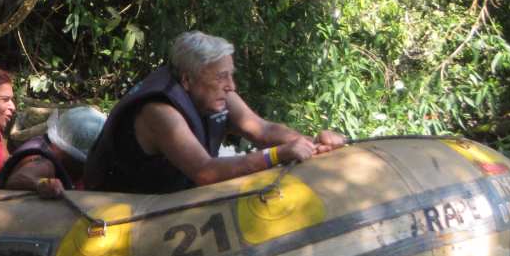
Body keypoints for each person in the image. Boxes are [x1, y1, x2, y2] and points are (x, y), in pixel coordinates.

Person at [84, 31, 347, 194]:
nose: (231, 86)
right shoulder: (160, 112)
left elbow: (261, 129)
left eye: (231, 75)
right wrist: (277, 155)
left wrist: (310, 143)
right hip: (120, 202)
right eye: (222, 77)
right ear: (188, 81)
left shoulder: (215, 92)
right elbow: (204, 172)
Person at [0, 107, 105, 197]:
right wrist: (41, 184)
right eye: (81, 163)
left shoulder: (50, 145)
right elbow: (17, 180)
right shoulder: (44, 163)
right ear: (70, 153)